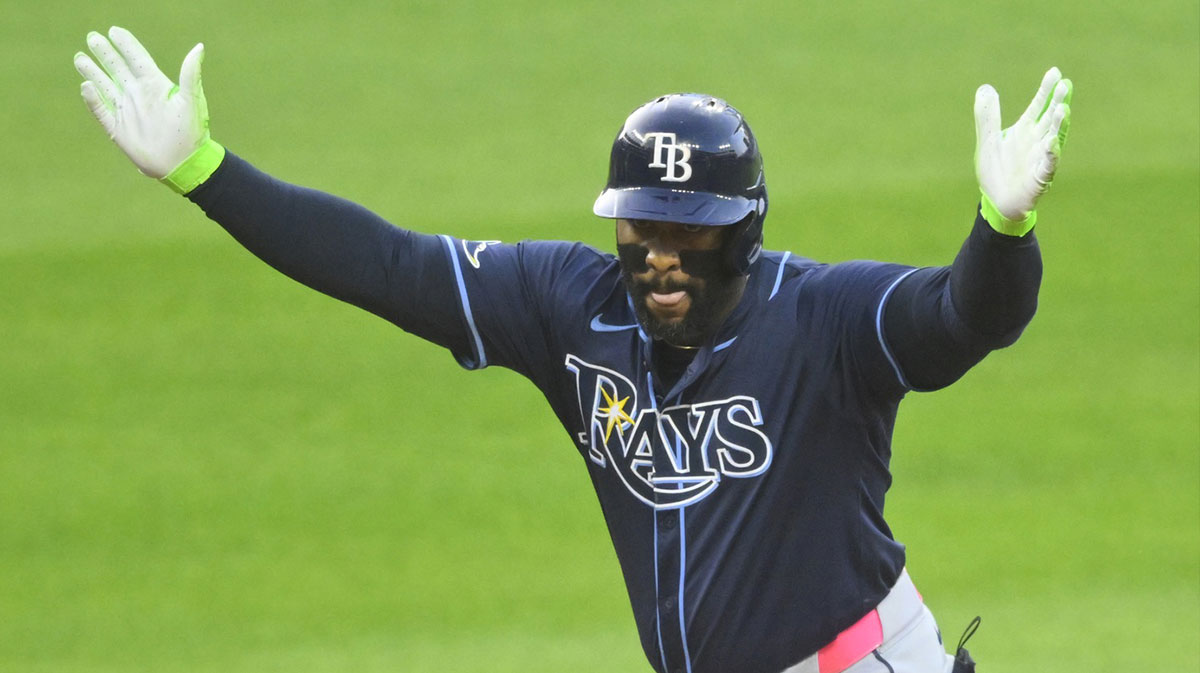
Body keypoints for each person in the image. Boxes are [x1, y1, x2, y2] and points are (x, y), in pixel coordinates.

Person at [73, 26, 1072, 673]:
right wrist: (204, 171)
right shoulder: (569, 305)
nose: (664, 257)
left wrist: (1001, 228)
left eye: (695, 232)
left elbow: (960, 320)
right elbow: (390, 267)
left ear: (747, 230)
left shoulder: (827, 319)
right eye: (644, 230)